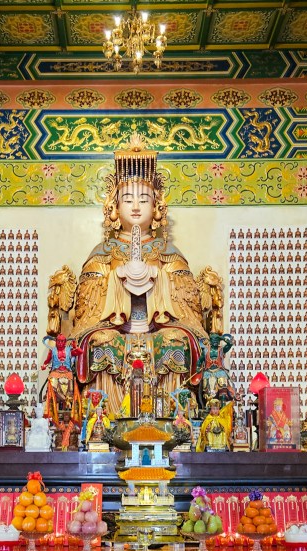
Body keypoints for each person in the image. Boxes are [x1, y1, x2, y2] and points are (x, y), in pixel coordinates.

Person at [58, 134, 211, 411]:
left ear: (157, 208)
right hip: (115, 328)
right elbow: (87, 311)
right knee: (98, 343)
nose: (137, 206)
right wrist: (116, 281)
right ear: (114, 208)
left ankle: (171, 414)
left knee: (177, 342)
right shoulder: (102, 252)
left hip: (158, 327)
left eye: (145, 199)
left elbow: (189, 310)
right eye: (128, 200)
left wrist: (158, 280)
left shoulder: (168, 251)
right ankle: (106, 415)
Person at [40, 333, 81, 423]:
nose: (60, 343)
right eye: (59, 341)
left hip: (67, 371)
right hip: (56, 371)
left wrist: (75, 345)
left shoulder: (69, 350)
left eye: (62, 341)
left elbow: (80, 352)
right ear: (56, 342)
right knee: (52, 386)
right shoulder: (52, 350)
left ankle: (68, 404)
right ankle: (51, 405)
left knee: (70, 388)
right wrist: (44, 365)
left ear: (65, 342)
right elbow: (47, 360)